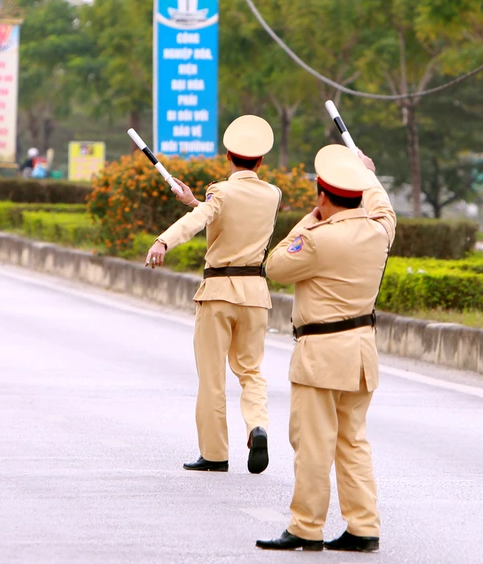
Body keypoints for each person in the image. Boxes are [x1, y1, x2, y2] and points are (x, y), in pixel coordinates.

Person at [255, 144, 394, 553]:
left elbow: (275, 266)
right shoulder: (379, 230)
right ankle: (363, 526)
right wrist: (367, 174)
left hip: (321, 354)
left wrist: (310, 220)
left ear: (321, 195)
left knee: (313, 443)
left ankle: (306, 527)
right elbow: (383, 206)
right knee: (352, 441)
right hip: (361, 351)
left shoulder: (318, 239)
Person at [145, 115, 282, 475]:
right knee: (251, 370)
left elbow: (201, 220)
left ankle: (216, 454)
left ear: (227, 156)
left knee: (212, 377)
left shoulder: (219, 192)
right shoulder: (272, 194)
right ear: (261, 161)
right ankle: (257, 425)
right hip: (255, 294)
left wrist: (163, 241)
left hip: (219, 292)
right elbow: (227, 219)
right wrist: (194, 200)